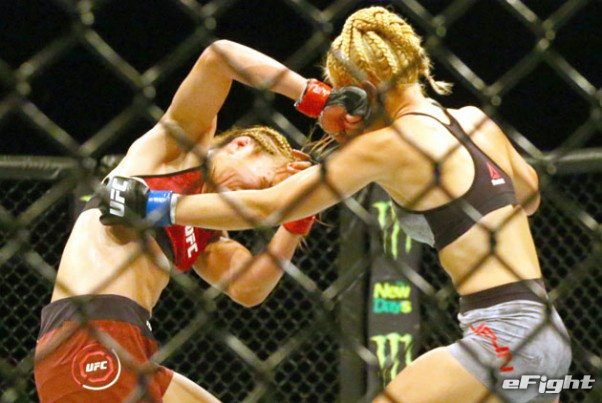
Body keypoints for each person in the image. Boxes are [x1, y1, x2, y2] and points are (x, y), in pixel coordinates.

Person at [101, 6, 573, 402]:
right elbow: (528, 197)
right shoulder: (474, 121)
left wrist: (154, 206)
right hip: (549, 338)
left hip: (499, 341)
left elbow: (268, 207)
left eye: (348, 94)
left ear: (365, 84)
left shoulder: (390, 144)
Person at [33, 39, 319, 402]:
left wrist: (297, 219)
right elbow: (221, 56)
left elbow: (249, 288)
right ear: (241, 145)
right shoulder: (177, 150)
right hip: (89, 335)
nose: (256, 199)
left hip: (131, 345)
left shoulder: (208, 234)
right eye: (263, 184)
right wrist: (313, 96)